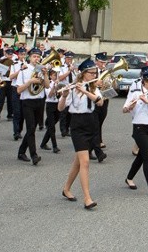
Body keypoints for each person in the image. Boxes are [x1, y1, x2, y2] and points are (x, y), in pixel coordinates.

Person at [58, 58, 102, 209]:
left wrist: (85, 91)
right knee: (85, 162)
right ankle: (87, 198)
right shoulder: (73, 89)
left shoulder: (93, 88)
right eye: (91, 73)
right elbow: (60, 108)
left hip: (91, 124)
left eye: (94, 73)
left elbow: (99, 102)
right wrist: (64, 96)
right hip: (77, 125)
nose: (94, 75)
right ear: (83, 74)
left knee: (78, 162)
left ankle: (66, 189)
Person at [124, 67, 148, 196]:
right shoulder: (135, 93)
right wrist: (130, 106)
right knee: (147, 157)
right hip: (139, 128)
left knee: (141, 156)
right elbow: (124, 109)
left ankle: (129, 178)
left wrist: (147, 101)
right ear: (145, 81)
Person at [14, 47, 48, 165]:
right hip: (27, 102)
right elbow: (18, 90)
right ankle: (34, 155)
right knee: (30, 128)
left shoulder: (41, 69)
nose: (36, 59)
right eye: (34, 56)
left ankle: (21, 151)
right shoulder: (23, 70)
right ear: (29, 57)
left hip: (39, 101)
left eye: (38, 56)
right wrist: (30, 82)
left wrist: (45, 74)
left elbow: (47, 86)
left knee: (31, 129)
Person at [89, 52, 109, 162]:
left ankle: (89, 149)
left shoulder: (106, 72)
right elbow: (86, 83)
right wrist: (96, 83)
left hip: (104, 100)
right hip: (94, 101)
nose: (103, 64)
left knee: (99, 123)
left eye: (104, 62)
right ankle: (98, 152)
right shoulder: (91, 71)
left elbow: (111, 84)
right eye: (101, 62)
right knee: (95, 126)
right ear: (96, 61)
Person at [7, 47, 27, 140]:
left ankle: (19, 130)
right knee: (17, 111)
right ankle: (16, 132)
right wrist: (20, 69)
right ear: (18, 55)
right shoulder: (14, 64)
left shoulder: (28, 64)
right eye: (21, 54)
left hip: (25, 89)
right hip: (15, 88)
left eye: (24, 54)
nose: (23, 56)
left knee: (23, 112)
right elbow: (11, 77)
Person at [40, 68, 61, 154]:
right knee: (52, 127)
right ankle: (55, 146)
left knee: (52, 125)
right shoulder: (48, 84)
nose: (56, 77)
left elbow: (61, 95)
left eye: (57, 75)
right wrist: (54, 87)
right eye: (54, 75)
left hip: (57, 104)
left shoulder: (59, 83)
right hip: (50, 104)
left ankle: (43, 143)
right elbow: (49, 95)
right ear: (50, 76)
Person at [57, 51, 75, 137]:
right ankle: (63, 130)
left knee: (70, 112)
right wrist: (68, 71)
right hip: (64, 89)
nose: (69, 60)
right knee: (63, 112)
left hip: (72, 90)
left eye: (71, 58)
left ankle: (68, 129)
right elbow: (60, 78)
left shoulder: (73, 67)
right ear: (65, 58)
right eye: (68, 58)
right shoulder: (61, 67)